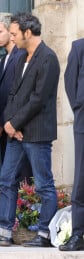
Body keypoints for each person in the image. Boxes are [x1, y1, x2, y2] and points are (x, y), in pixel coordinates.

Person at [0, 12, 60, 247]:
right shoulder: (20, 57)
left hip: (37, 132)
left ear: (27, 32)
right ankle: (2, 230)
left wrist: (14, 123)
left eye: (13, 33)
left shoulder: (48, 58)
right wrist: (10, 124)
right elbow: (12, 94)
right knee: (6, 179)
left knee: (44, 184)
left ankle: (45, 234)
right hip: (16, 132)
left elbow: (38, 99)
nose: (11, 37)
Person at [0, 12, 32, 180]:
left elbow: (20, 94)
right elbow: (1, 94)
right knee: (9, 180)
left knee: (22, 178)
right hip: (5, 128)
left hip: (18, 128)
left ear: (11, 31)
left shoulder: (21, 56)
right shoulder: (3, 59)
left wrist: (8, 122)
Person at [62, 35, 84, 251]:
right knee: (81, 179)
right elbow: (70, 82)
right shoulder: (79, 47)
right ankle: (78, 235)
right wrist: (79, 108)